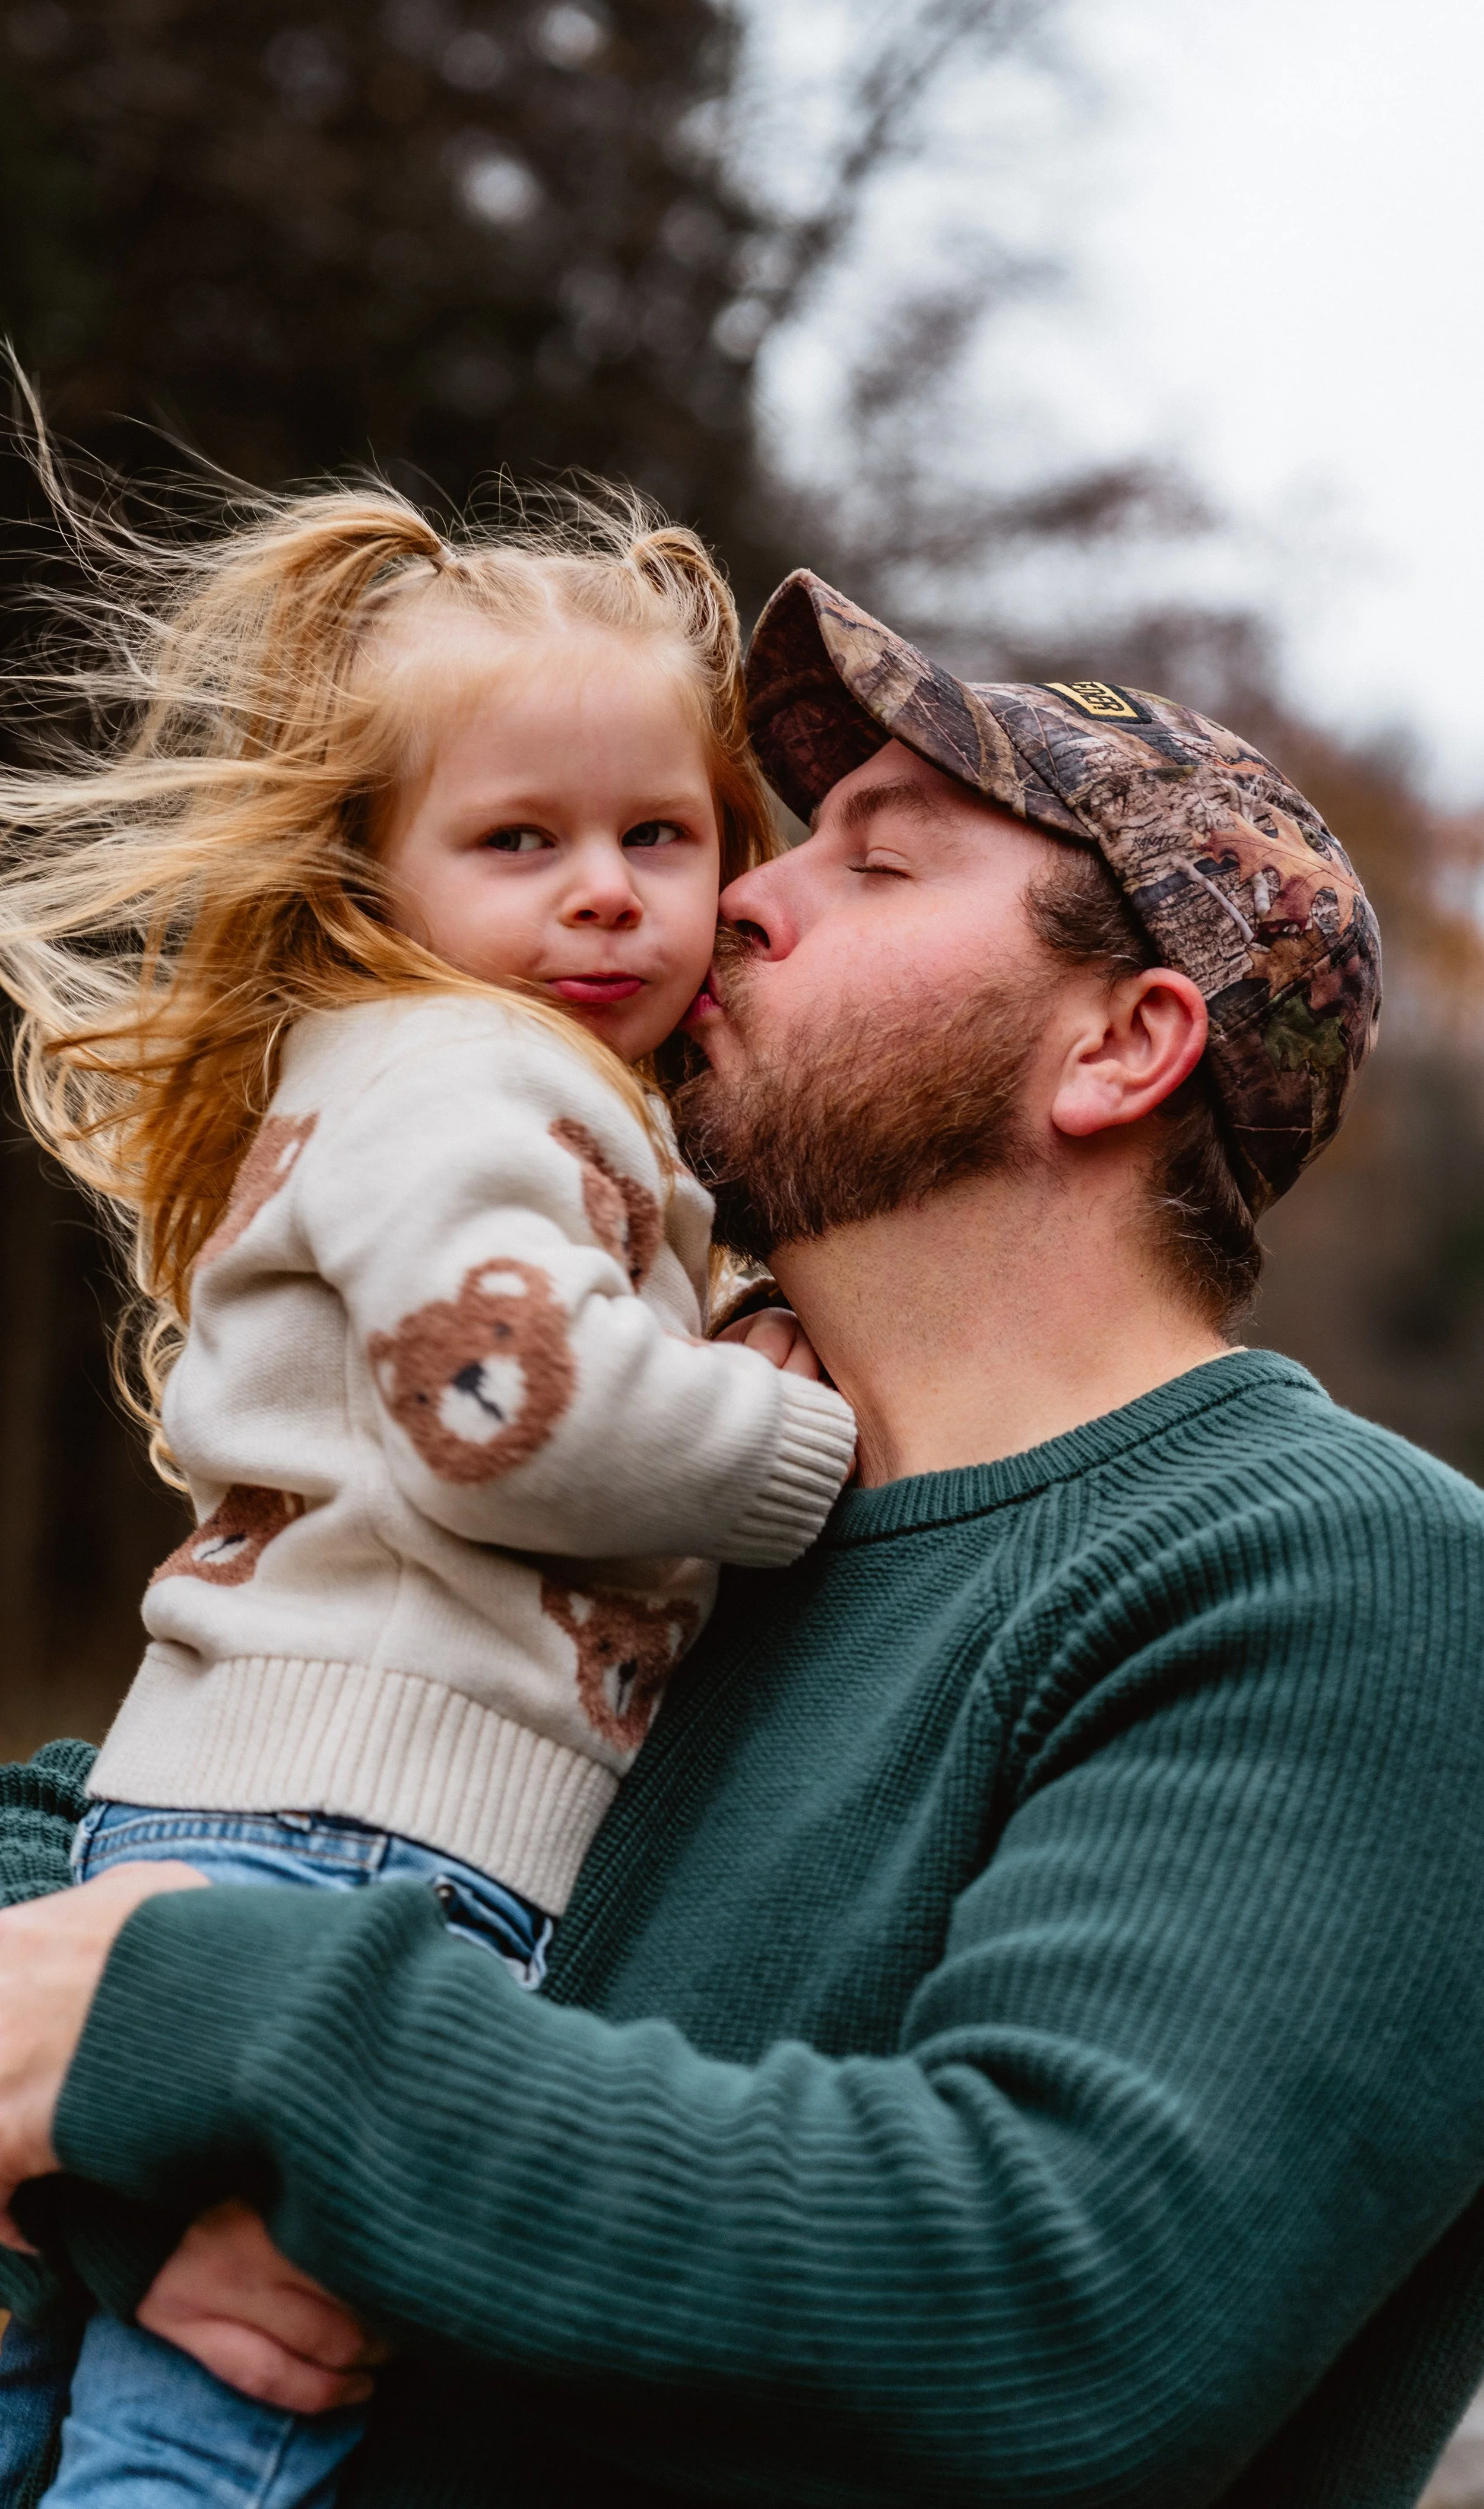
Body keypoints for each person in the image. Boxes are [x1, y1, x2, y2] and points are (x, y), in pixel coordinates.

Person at [1, 573, 1483, 2509]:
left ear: (1121, 1047)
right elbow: (147, 1815)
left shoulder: (1344, 1572)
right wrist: (171, 2158)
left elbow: (1049, 2303)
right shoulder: (672, 1509)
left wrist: (189, 2040)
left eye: (875, 866)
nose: (741, 899)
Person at [0, 498, 855, 2506]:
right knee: (226, 2407)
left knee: (101, 2377)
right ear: (376, 872)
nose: (604, 899)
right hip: (372, 1853)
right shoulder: (481, 1075)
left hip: (220, 1822)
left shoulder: (418, 1087)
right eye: (518, 842)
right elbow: (508, 1410)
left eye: (661, 835)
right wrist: (802, 1447)